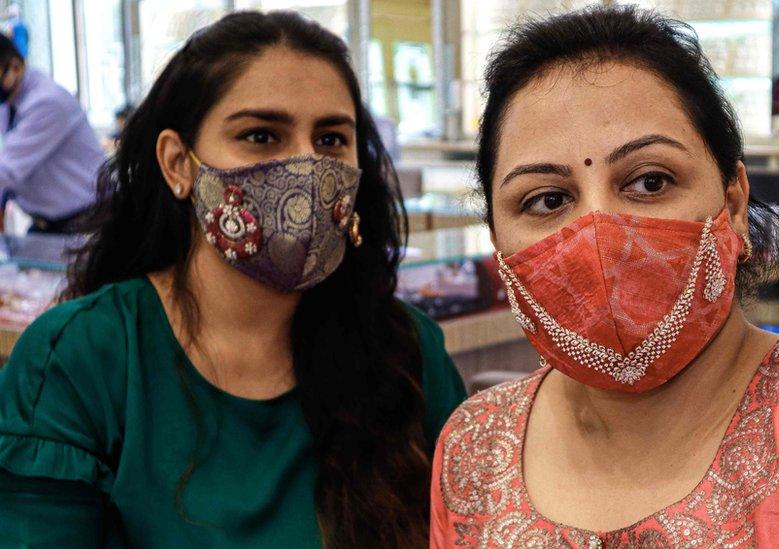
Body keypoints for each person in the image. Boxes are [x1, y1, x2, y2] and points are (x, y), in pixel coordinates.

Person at [430, 6, 779, 547]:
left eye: (650, 182)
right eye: (548, 199)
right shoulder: (473, 450)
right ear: (497, 244)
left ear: (733, 205)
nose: (597, 231)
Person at [0, 10, 465, 548]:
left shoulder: (407, 352)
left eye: (332, 139)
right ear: (178, 164)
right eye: (262, 135)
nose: (305, 167)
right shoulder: (80, 361)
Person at [0, 32, 103, 234]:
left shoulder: (47, 102)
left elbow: (8, 169)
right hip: (45, 225)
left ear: (14, 66)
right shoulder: (8, 102)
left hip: (84, 225)